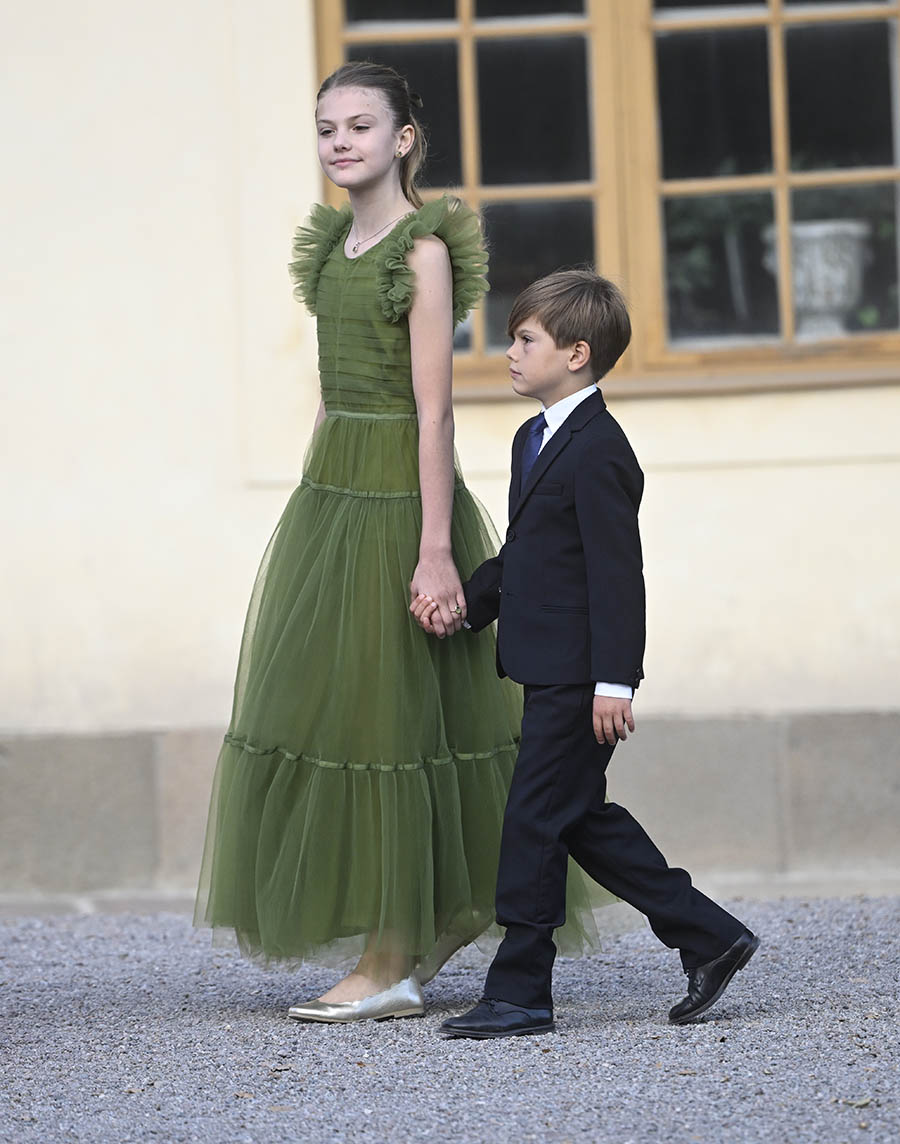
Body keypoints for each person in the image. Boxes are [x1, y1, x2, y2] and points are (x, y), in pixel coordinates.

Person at [193, 62, 609, 1024]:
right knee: (343, 716)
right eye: (327, 128)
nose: (342, 143)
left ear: (404, 138)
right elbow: (339, 391)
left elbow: (435, 412)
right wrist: (314, 497)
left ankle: (391, 959)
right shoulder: (336, 243)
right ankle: (422, 930)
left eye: (361, 127)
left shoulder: (420, 251)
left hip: (399, 502)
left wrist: (433, 550)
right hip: (333, 495)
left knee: (398, 725)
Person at [412, 270, 759, 1039]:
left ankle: (521, 993)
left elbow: (615, 576)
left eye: (524, 339)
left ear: (576, 353)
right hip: (544, 664)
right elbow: (530, 556)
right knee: (577, 819)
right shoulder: (534, 438)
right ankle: (709, 934)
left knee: (534, 821)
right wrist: (468, 602)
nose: (508, 351)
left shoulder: (600, 450)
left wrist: (615, 681)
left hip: (578, 675)